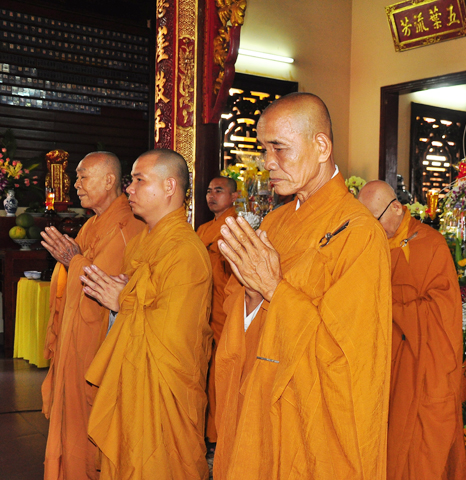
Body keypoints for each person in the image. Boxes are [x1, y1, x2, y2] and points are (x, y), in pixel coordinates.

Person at [213, 92, 393, 480]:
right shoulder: (274, 223)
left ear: (321, 146)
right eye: (264, 149)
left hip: (309, 420)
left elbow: (349, 354)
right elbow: (239, 319)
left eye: (279, 148)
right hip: (260, 400)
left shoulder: (360, 233)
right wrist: (251, 294)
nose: (268, 162)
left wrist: (274, 289)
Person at [79, 149, 213, 480]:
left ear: (169, 186)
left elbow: (174, 339)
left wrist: (123, 302)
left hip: (164, 394)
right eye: (131, 180)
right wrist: (123, 301)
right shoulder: (142, 243)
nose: (130, 188)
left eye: (140, 180)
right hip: (133, 380)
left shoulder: (185, 251)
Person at [40, 152, 144, 480]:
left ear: (110, 180)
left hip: (96, 353)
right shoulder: (92, 223)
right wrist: (71, 261)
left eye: (83, 176)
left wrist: (73, 261)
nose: (76, 184)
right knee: (71, 425)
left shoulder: (128, 225)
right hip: (75, 345)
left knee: (90, 432)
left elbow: (102, 288)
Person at [357, 180, 466, 480]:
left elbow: (442, 313)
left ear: (396, 208)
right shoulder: (368, 245)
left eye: (374, 219)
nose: (370, 228)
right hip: (381, 366)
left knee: (421, 452)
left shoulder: (430, 245)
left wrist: (390, 305)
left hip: (421, 366)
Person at [196, 176, 238, 447]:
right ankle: (207, 430)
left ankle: (222, 432)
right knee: (204, 367)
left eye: (219, 191)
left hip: (224, 307)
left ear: (234, 197)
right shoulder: (203, 229)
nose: (211, 196)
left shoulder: (237, 226)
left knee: (223, 368)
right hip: (204, 306)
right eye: (209, 191)